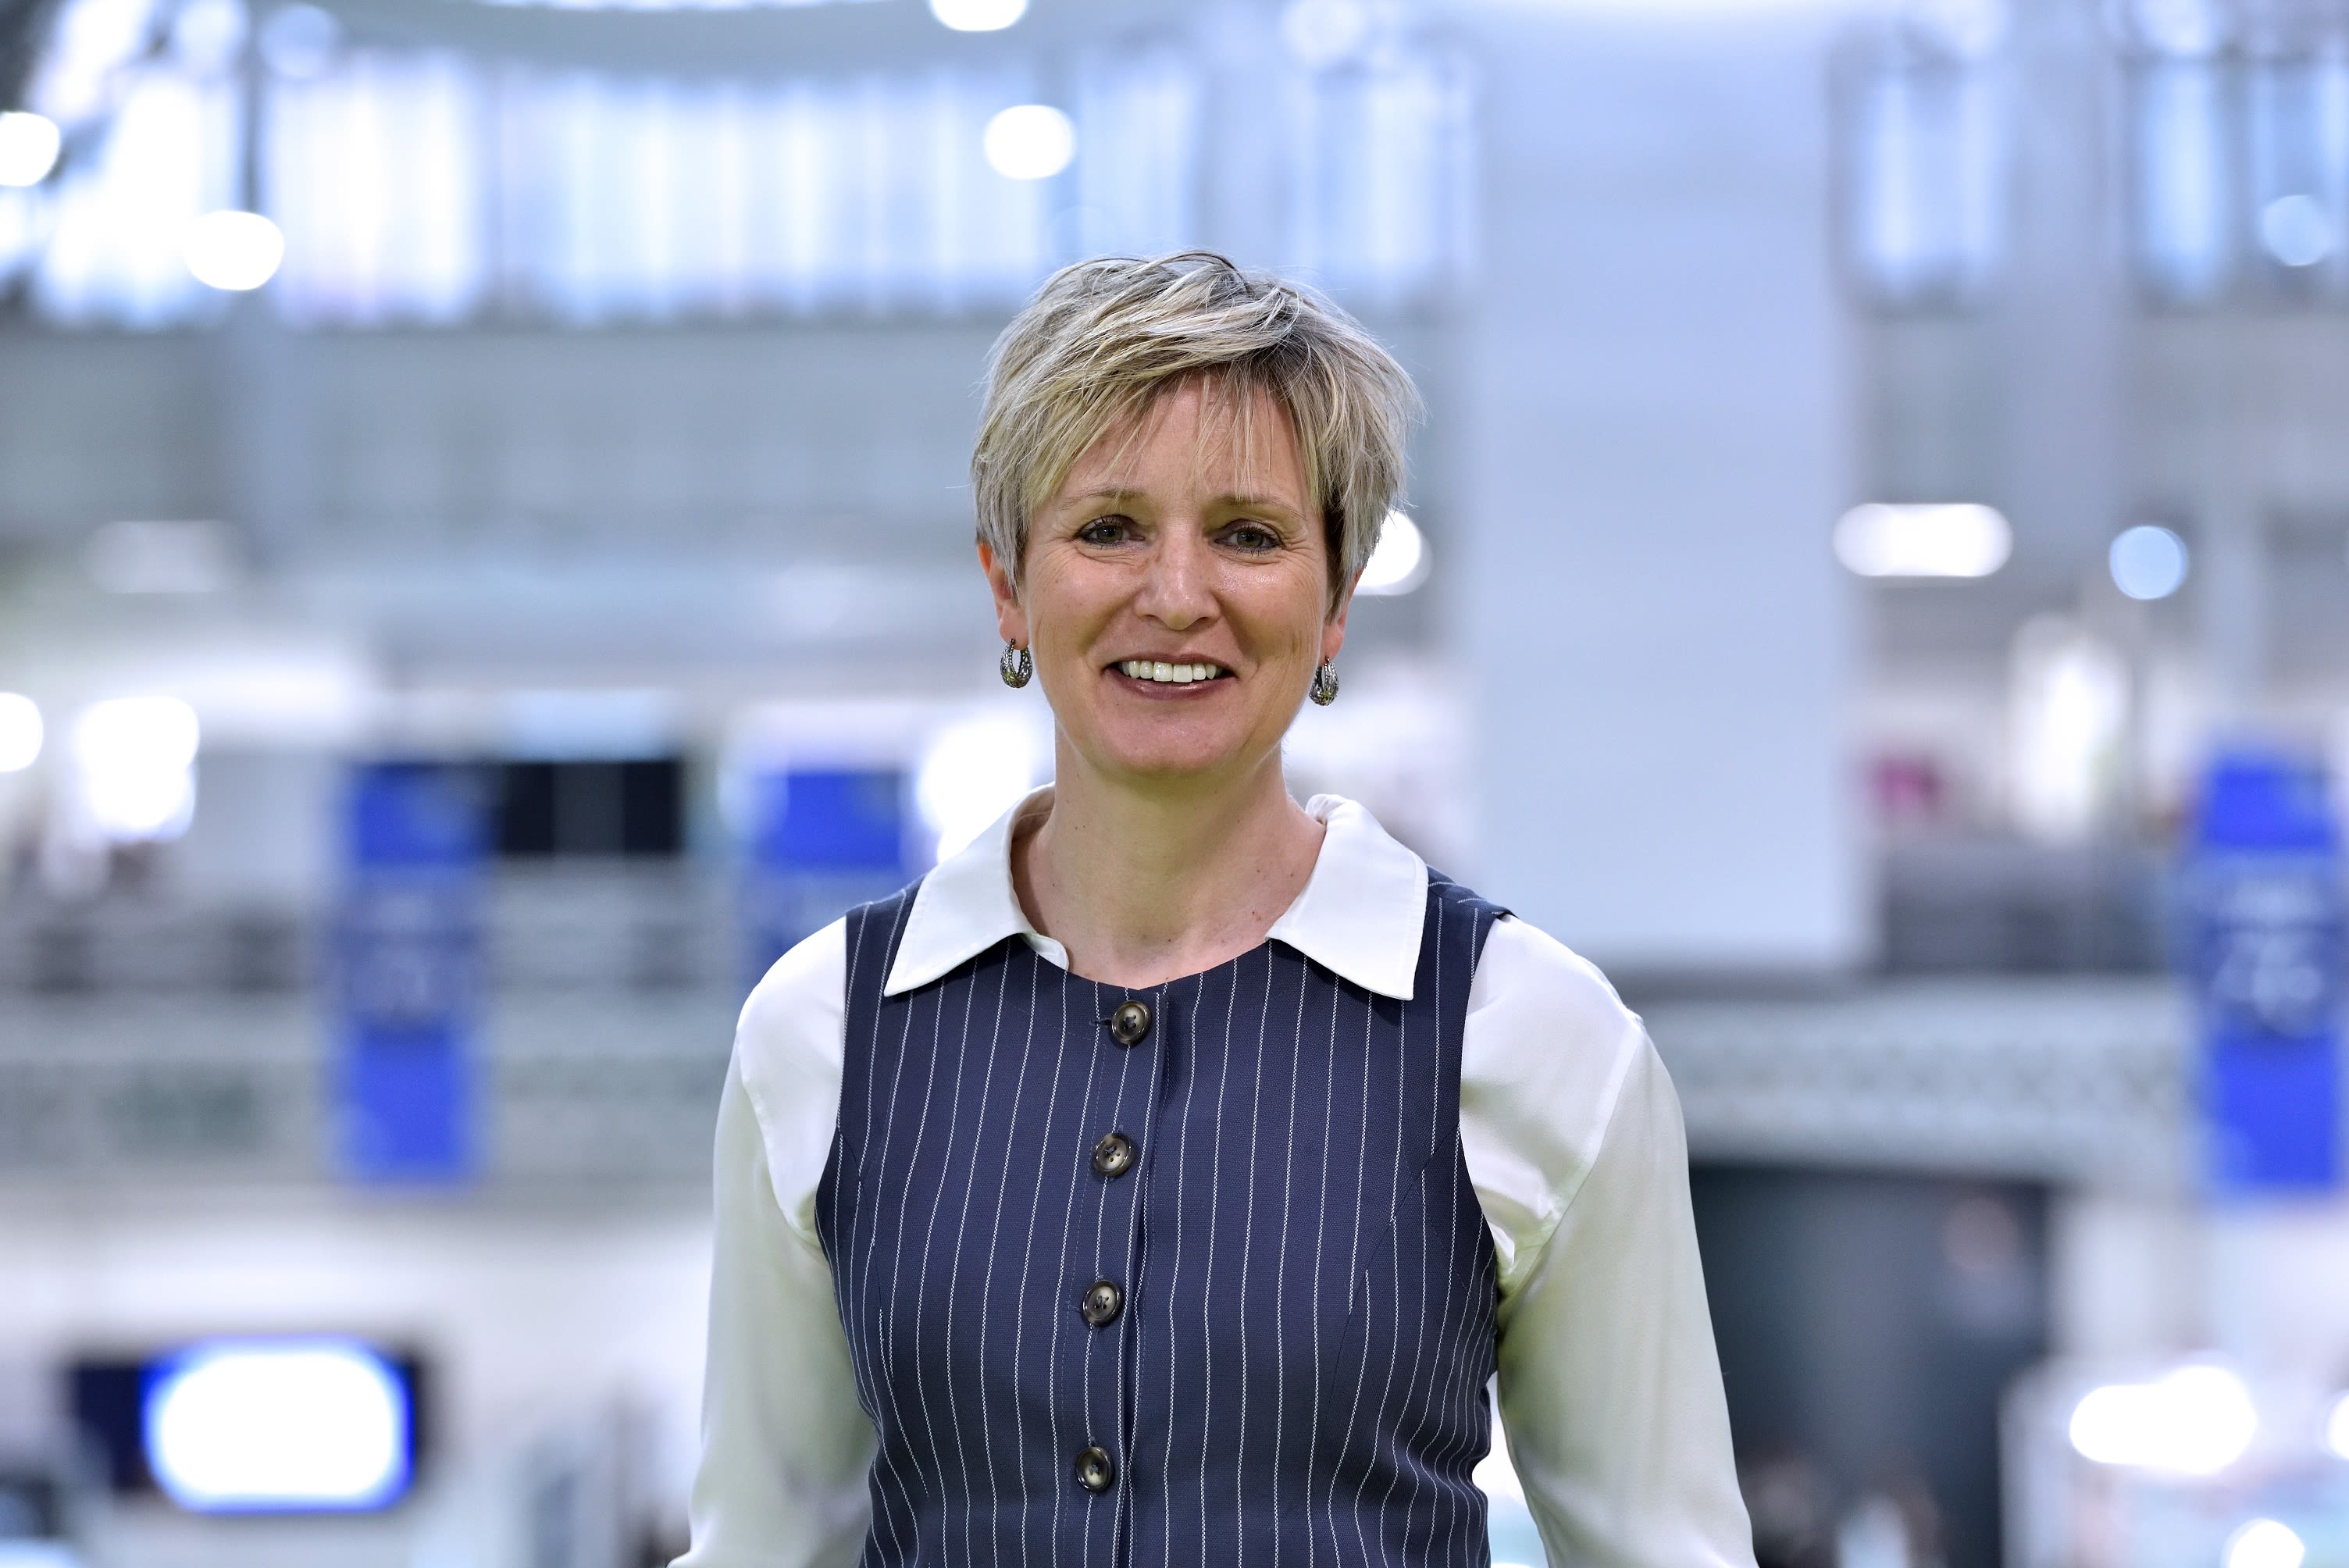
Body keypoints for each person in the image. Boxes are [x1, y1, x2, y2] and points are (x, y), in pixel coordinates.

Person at [675, 251, 1756, 1568]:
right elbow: (761, 1550)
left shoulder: (1530, 1032)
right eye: (1108, 527)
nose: (1177, 594)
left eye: (1248, 534)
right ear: (1009, 586)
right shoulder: (822, 1032)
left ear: (1338, 602)